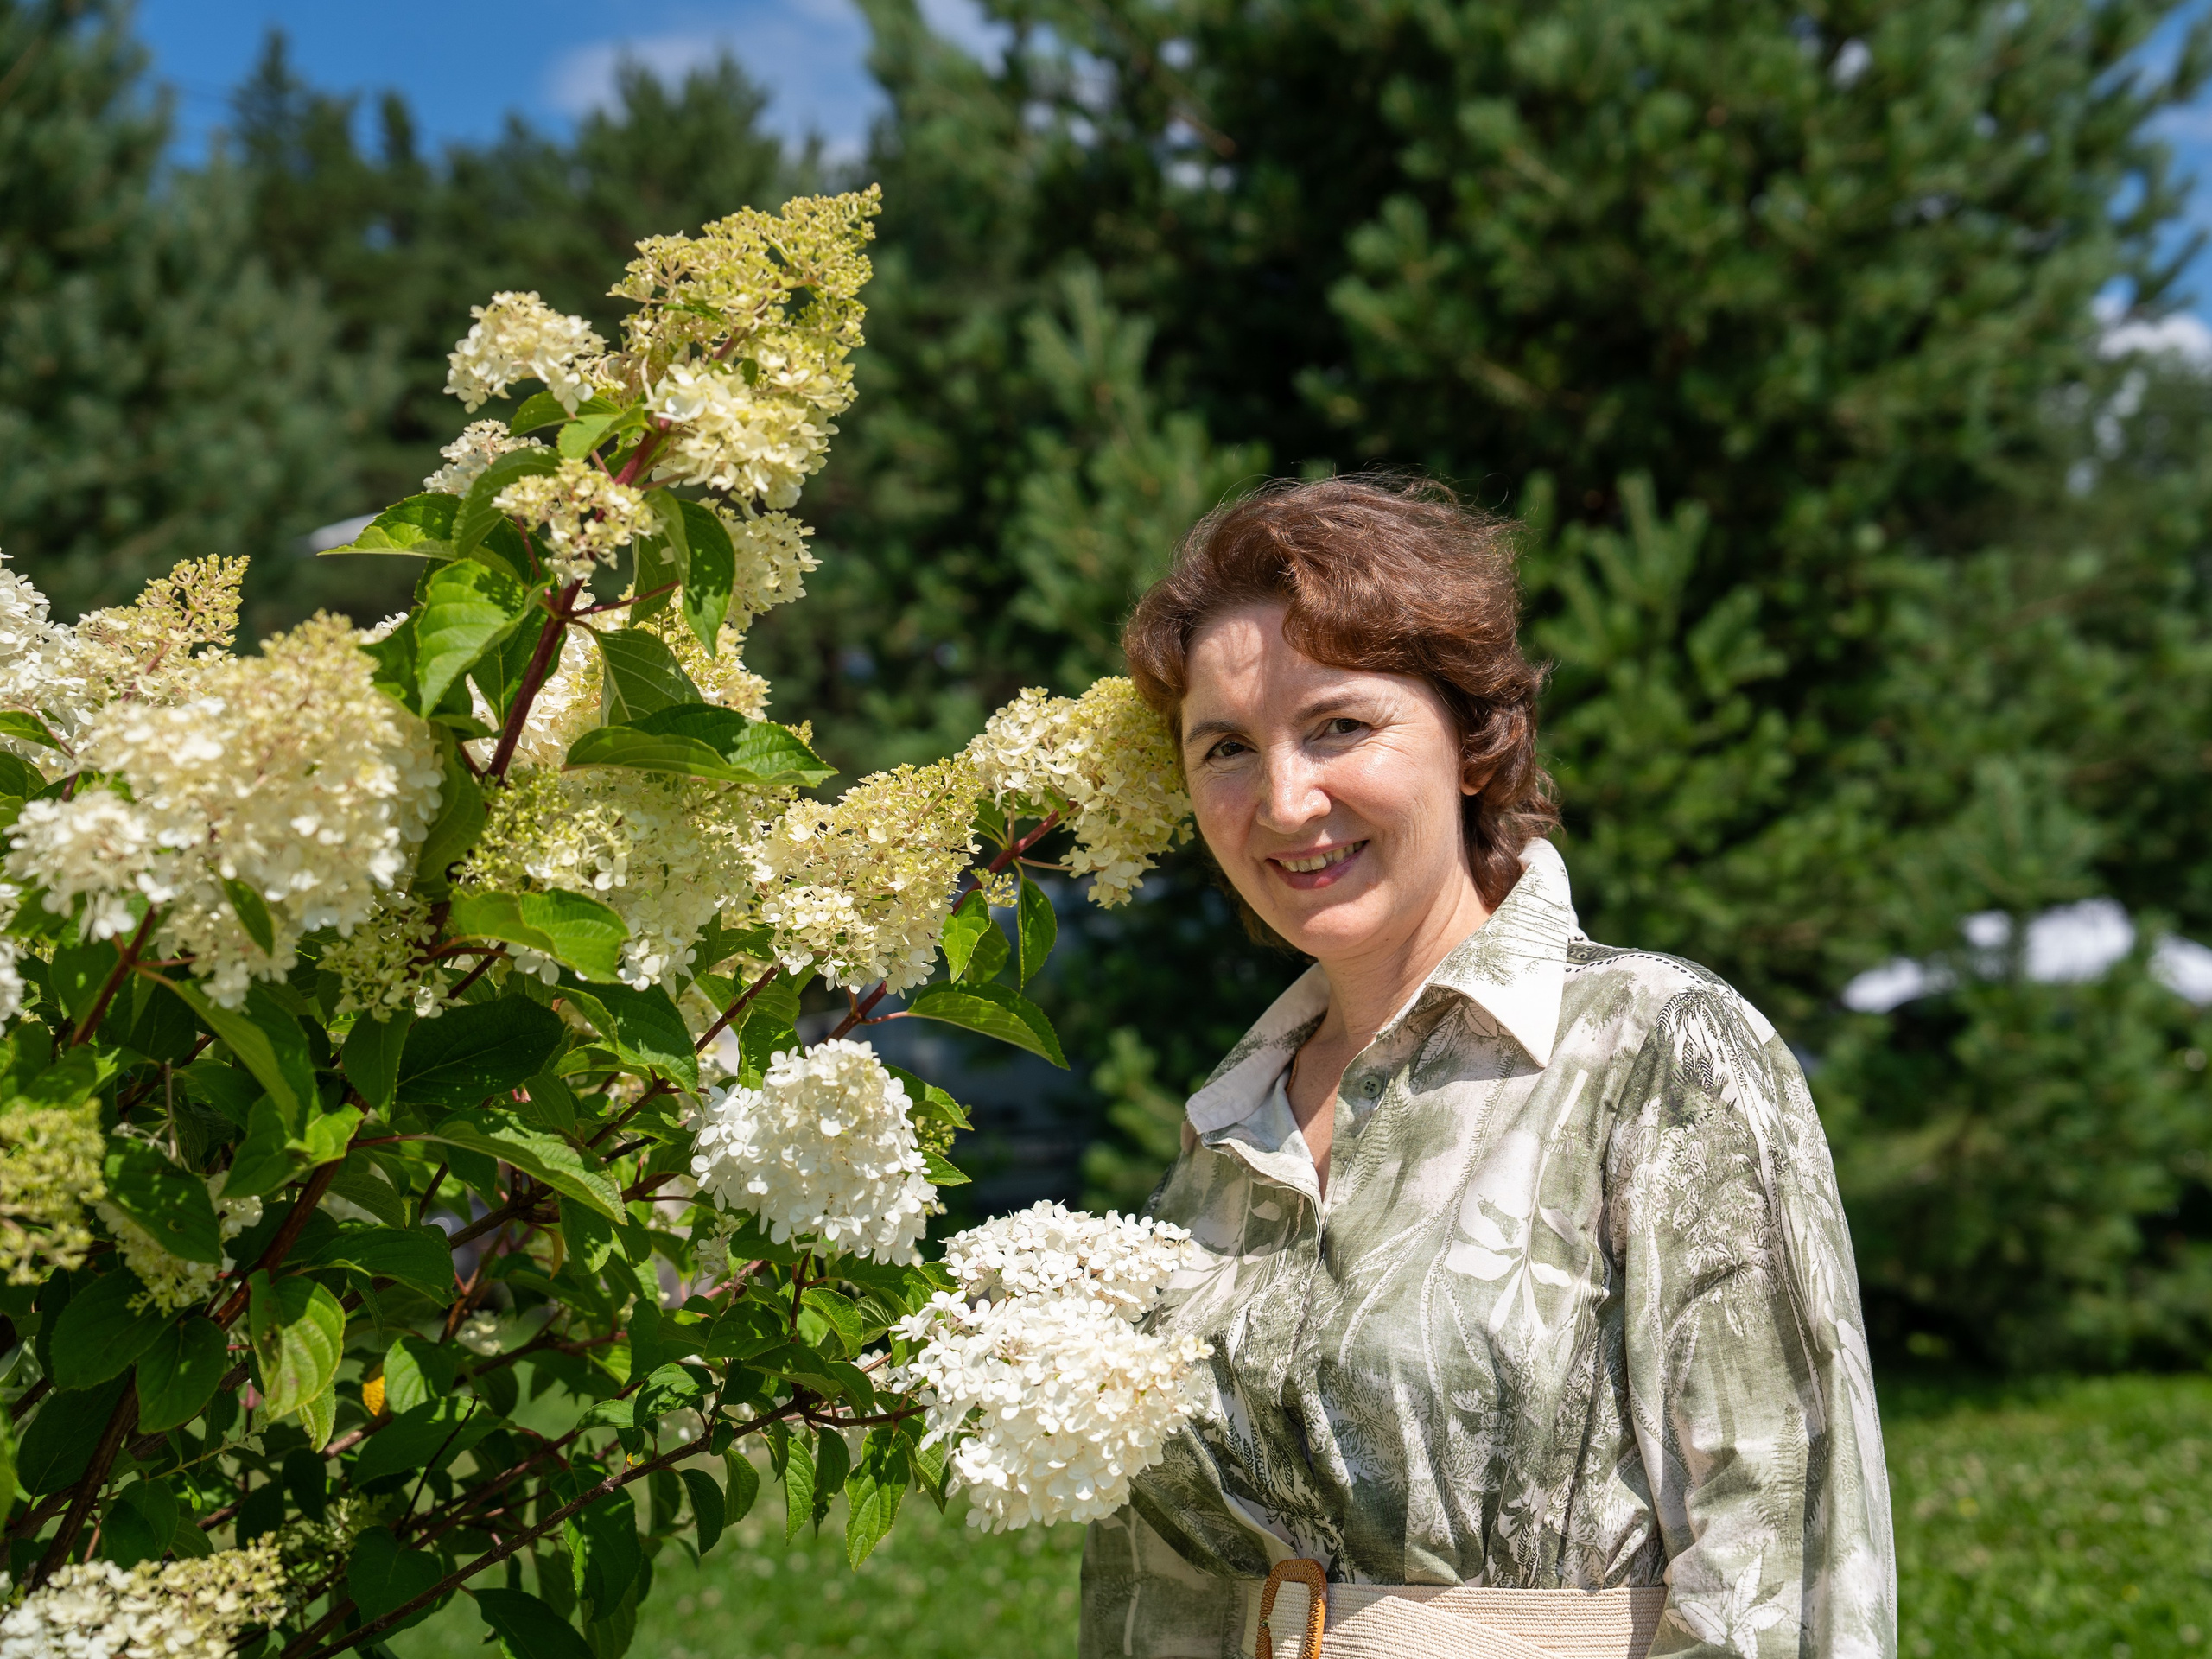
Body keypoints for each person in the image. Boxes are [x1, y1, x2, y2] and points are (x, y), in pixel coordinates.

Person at [1081, 478, 1896, 1659]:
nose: (1285, 799)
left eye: (1339, 727)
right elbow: (1153, 1588)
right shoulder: (1226, 1129)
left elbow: (1790, 1572)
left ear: (1473, 741)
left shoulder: (1659, 1050)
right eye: (1226, 749)